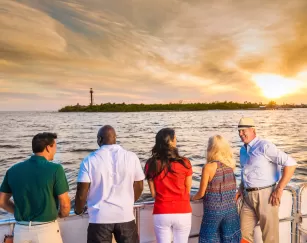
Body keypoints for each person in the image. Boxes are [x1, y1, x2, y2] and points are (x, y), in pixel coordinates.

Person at [75, 125, 144, 243]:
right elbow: (139, 186)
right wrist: (128, 203)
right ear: (115, 138)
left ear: (99, 139)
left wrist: (78, 210)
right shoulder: (131, 157)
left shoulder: (89, 160)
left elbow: (82, 192)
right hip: (125, 216)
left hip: (99, 218)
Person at [0, 132, 71, 243]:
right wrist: (61, 214)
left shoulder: (13, 170)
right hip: (46, 231)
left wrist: (19, 212)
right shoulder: (56, 169)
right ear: (48, 148)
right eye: (55, 147)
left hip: (20, 232)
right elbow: (65, 204)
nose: (55, 151)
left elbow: (2, 201)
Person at [236, 117, 297, 243]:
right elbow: (246, 171)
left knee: (270, 237)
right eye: (239, 131)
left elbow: (291, 163)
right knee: (242, 234)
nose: (241, 134)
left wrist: (279, 189)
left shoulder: (265, 146)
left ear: (253, 130)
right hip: (247, 197)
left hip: (266, 196)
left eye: (243, 130)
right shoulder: (242, 150)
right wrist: (240, 189)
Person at [145, 128, 193, 243]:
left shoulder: (151, 164)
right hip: (183, 211)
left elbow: (153, 194)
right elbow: (188, 189)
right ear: (171, 141)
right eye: (175, 138)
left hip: (161, 211)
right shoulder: (185, 163)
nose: (176, 140)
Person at [192, 135, 241, 242]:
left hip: (213, 210)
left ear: (211, 149)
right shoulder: (230, 166)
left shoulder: (208, 167)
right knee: (229, 237)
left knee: (209, 238)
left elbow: (201, 193)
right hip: (230, 209)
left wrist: (191, 198)